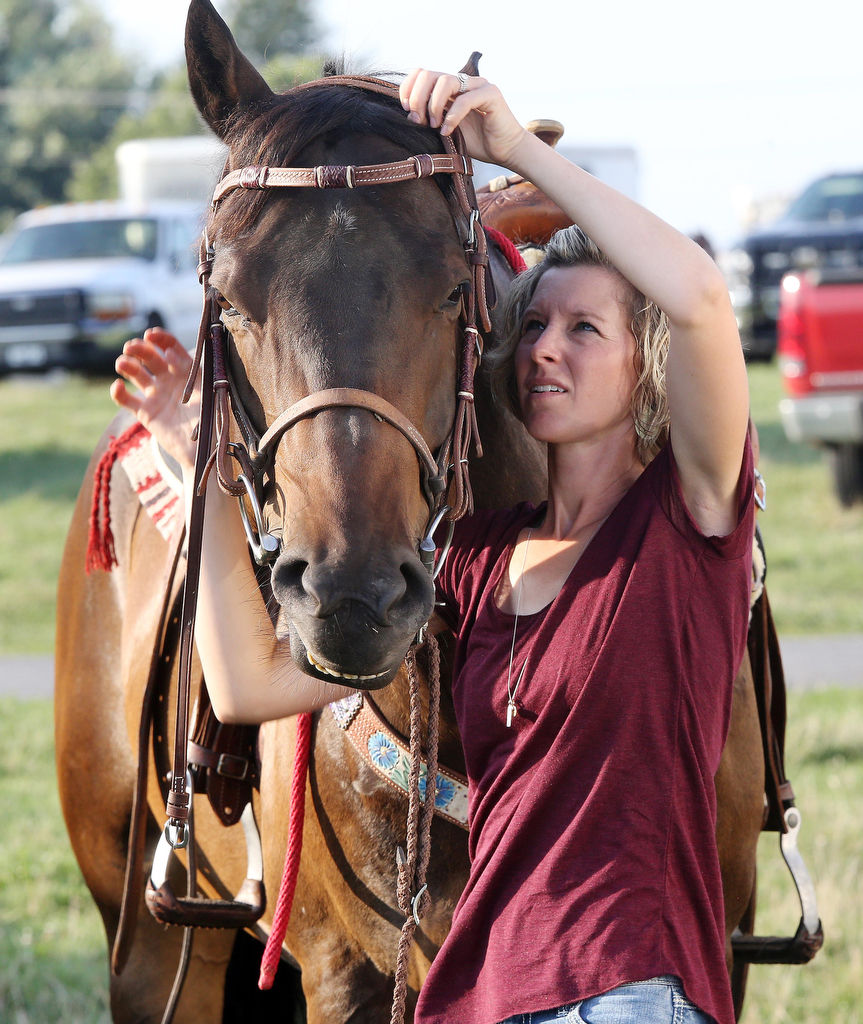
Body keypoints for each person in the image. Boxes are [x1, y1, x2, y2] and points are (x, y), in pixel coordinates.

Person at [112, 69, 753, 1024]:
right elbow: (248, 685)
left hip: (628, 997)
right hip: (480, 1001)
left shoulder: (689, 527)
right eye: (532, 322)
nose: (544, 347)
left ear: (646, 361)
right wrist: (200, 453)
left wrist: (516, 154)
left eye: (585, 329)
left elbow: (700, 299)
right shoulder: (475, 564)